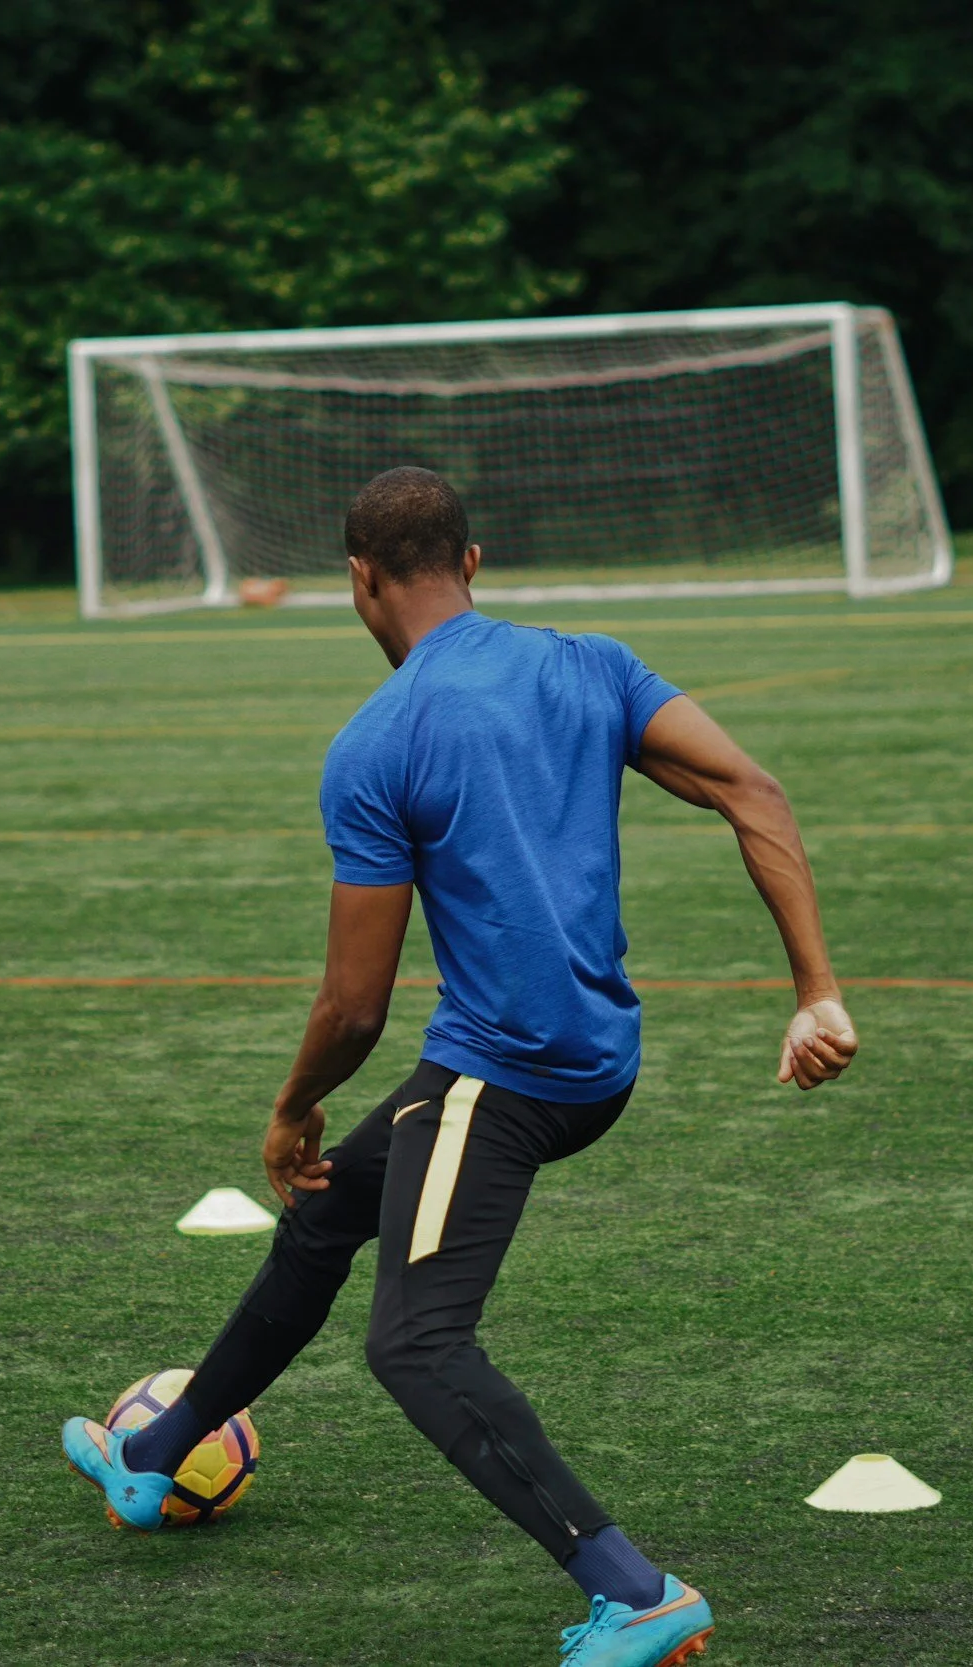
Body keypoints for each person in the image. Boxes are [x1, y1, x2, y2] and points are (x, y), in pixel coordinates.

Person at [65, 466, 857, 1667]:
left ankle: (635, 1590)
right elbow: (753, 787)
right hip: (590, 1057)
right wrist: (816, 992)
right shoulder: (592, 662)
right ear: (473, 563)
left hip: (510, 1074)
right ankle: (154, 1450)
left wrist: (289, 1110)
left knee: (417, 1342)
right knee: (329, 1215)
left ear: (357, 581)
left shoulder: (378, 740)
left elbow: (353, 1004)